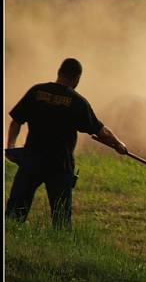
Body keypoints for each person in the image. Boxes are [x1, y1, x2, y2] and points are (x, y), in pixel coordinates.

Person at [5, 58, 127, 230]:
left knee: (14, 214)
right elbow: (101, 131)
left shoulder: (37, 92)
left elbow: (16, 121)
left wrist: (10, 147)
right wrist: (119, 145)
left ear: (59, 73)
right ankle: (60, 249)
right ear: (77, 78)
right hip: (59, 165)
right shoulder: (77, 102)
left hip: (31, 160)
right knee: (62, 221)